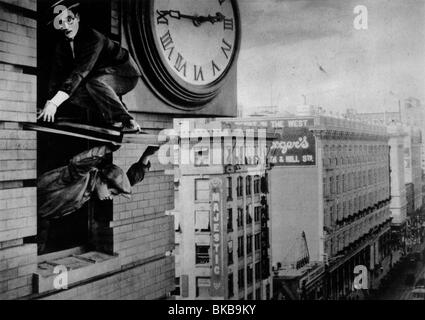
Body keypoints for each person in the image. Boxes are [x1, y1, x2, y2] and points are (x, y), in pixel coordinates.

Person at [39, 0, 142, 133]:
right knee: (73, 94)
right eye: (60, 22)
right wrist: (49, 104)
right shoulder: (62, 45)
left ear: (78, 18)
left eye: (69, 19)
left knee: (93, 83)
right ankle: (116, 113)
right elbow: (57, 77)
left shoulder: (93, 38)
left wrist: (54, 104)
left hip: (124, 73)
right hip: (99, 76)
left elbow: (81, 72)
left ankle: (128, 121)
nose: (65, 25)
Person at [37, 144, 159, 253]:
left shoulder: (93, 187)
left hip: (43, 217)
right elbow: (77, 162)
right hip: (30, 205)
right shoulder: (80, 176)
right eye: (111, 192)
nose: (110, 197)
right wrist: (108, 147)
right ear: (103, 180)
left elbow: (127, 180)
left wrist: (146, 157)